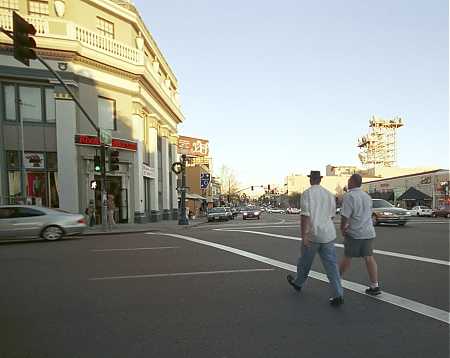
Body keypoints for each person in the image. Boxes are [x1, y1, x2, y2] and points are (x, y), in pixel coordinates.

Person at [287, 170, 344, 306]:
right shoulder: (329, 194)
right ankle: (338, 294)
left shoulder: (307, 194)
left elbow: (305, 215)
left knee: (305, 262)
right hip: (328, 233)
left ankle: (298, 282)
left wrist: (303, 235)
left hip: (312, 234)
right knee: (331, 265)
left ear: (310, 179)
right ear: (320, 179)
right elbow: (331, 215)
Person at [338, 174, 380, 295]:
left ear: (352, 181)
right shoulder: (367, 197)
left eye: (349, 180)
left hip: (355, 232)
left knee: (347, 256)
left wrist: (342, 228)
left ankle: (336, 279)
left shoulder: (349, 196)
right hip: (368, 231)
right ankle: (374, 285)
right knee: (369, 257)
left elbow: (345, 215)